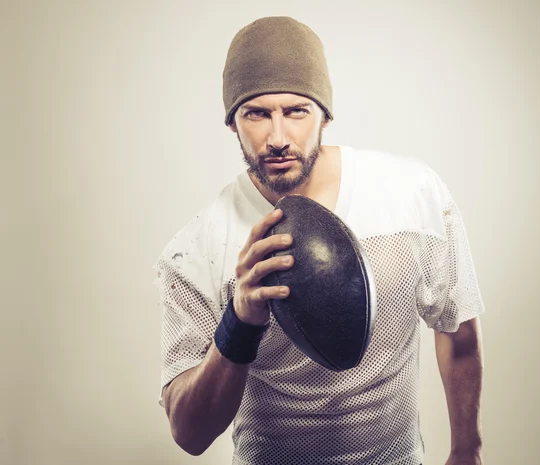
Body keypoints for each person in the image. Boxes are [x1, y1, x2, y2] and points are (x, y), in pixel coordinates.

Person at [152, 16, 485, 465]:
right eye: (256, 113)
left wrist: (467, 449)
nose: (278, 137)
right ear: (232, 122)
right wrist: (240, 321)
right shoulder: (197, 249)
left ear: (325, 114)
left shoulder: (412, 197)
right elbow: (188, 433)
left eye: (296, 111)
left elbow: (457, 328)